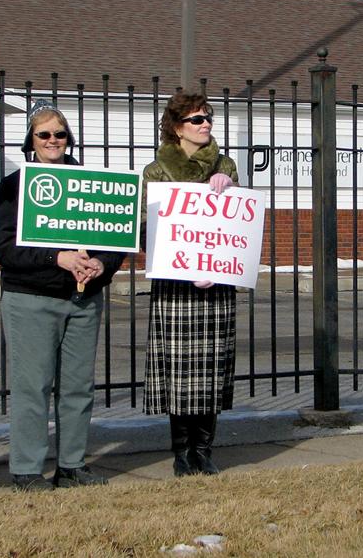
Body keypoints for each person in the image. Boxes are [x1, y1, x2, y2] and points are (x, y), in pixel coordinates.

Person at [0, 100, 125, 491]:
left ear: (69, 139)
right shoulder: (15, 186)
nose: (52, 140)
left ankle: (71, 465)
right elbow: (2, 247)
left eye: (59, 134)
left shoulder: (90, 183)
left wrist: (103, 263)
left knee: (78, 387)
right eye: (43, 134)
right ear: (31, 140)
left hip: (83, 300)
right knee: (33, 387)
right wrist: (57, 257)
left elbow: (114, 236)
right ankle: (28, 470)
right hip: (31, 299)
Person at [142, 92, 239, 476]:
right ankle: (181, 452)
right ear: (177, 126)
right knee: (179, 371)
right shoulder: (156, 171)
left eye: (208, 118)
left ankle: (204, 449)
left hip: (215, 283)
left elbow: (235, 227)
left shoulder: (225, 164)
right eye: (197, 119)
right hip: (175, 284)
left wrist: (228, 185)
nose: (206, 125)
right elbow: (147, 226)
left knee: (212, 368)